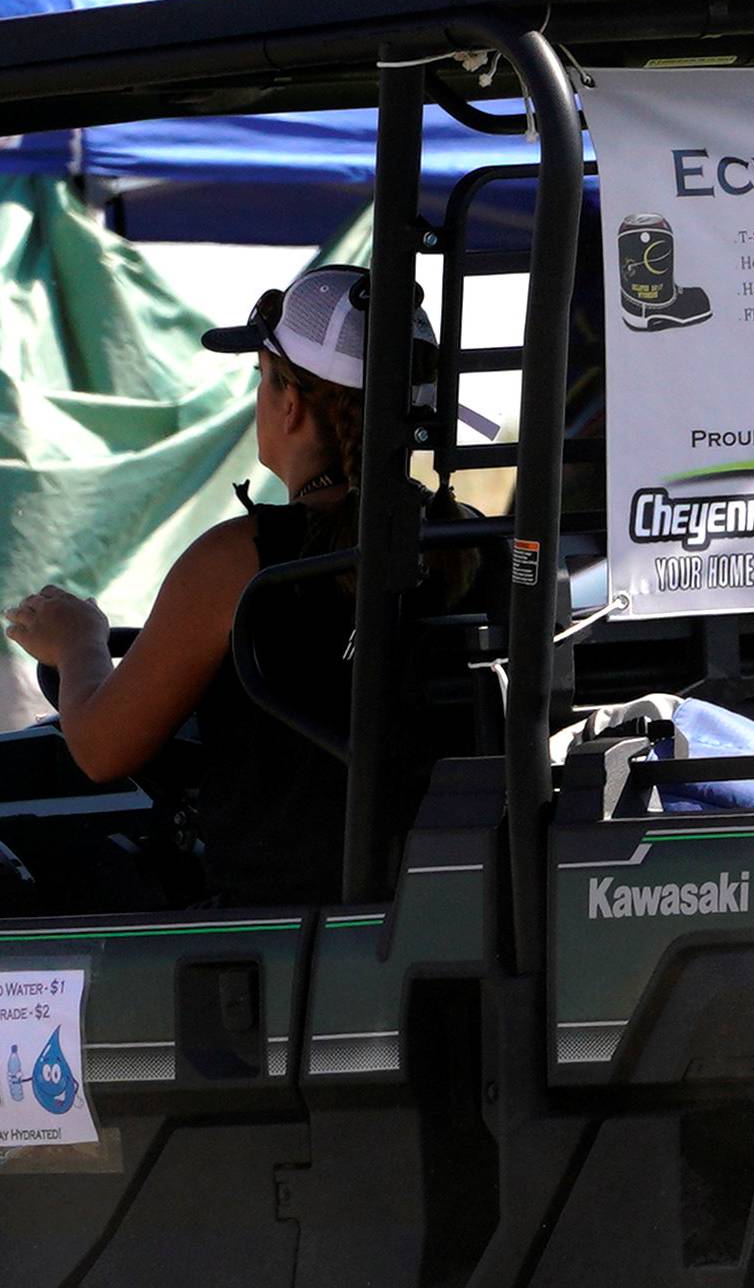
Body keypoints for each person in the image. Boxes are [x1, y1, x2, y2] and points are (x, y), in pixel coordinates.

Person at [4, 265, 444, 904]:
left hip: (281, 920)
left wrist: (77, 645)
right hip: (430, 895)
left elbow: (101, 749)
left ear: (289, 405)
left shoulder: (240, 562)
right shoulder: (472, 544)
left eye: (261, 379)